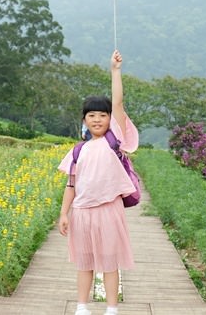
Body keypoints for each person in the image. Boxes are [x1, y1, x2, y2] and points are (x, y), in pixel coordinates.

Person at [58, 50, 139, 315]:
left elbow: (117, 102)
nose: (97, 119)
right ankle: (82, 307)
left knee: (109, 262)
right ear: (84, 120)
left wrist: (115, 71)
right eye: (91, 115)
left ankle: (111, 309)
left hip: (109, 209)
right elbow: (71, 185)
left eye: (102, 115)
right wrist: (64, 214)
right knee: (84, 263)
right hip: (81, 212)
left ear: (109, 120)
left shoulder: (114, 139)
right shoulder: (77, 151)